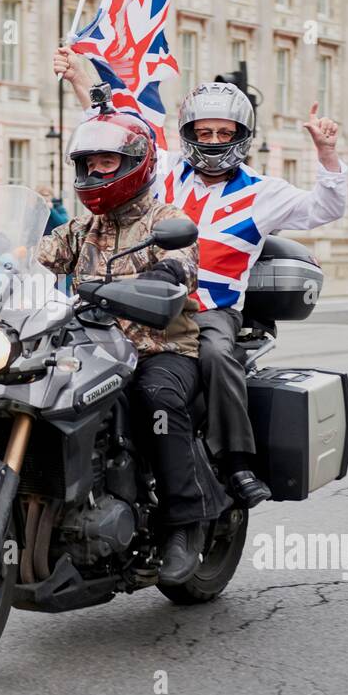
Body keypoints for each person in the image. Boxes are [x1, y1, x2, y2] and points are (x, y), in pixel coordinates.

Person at [55, 48, 348, 509]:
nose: (212, 140)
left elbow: (326, 208)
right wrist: (79, 76)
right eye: (203, 131)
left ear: (241, 136)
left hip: (211, 310)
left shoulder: (264, 192)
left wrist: (326, 154)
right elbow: (118, 131)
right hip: (137, 299)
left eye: (223, 132)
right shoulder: (163, 171)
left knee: (215, 353)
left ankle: (236, 462)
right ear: (188, 134)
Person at [37, 105, 225, 584]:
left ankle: (186, 522)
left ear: (135, 162)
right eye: (88, 163)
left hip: (160, 350)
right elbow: (32, 258)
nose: (95, 171)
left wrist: (162, 278)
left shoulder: (168, 220)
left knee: (155, 398)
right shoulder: (81, 231)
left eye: (106, 162)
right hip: (89, 348)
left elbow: (180, 265)